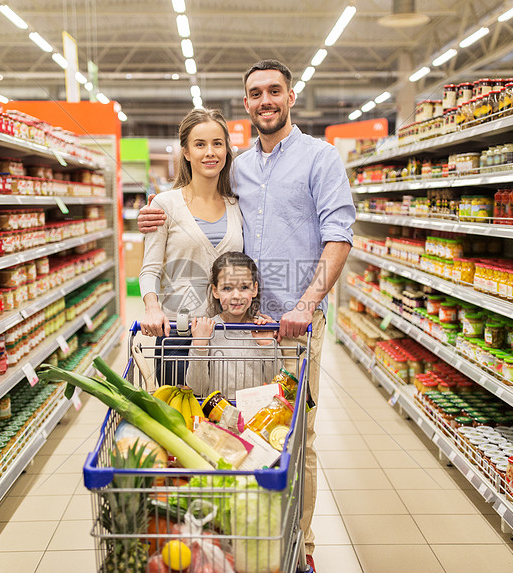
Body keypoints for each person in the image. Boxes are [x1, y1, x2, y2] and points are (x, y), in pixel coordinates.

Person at [139, 59, 356, 569]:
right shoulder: (242, 171)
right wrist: (149, 211)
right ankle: (229, 542)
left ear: (291, 96)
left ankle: (299, 548)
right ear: (247, 104)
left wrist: (305, 306)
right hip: (231, 330)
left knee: (296, 438)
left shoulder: (320, 159)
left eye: (274, 91)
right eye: (255, 93)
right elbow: (185, 205)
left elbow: (339, 237)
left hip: (293, 329)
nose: (265, 101)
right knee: (229, 431)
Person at [139, 108, 244, 385]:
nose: (210, 152)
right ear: (186, 152)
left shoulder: (237, 206)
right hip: (178, 331)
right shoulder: (165, 204)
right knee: (180, 417)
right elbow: (149, 269)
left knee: (221, 419)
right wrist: (152, 307)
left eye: (217, 143)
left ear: (226, 149)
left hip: (226, 332)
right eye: (200, 144)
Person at [186, 251, 280, 399]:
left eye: (244, 287)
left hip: (256, 417)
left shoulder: (262, 330)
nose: (236, 296)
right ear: (215, 291)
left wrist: (267, 345)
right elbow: (196, 388)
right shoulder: (207, 330)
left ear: (254, 289)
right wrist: (200, 345)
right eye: (227, 288)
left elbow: (277, 385)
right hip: (216, 416)